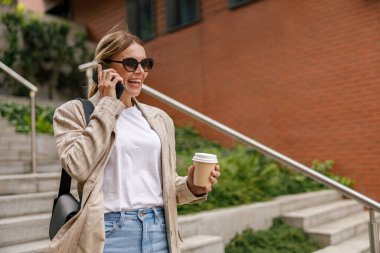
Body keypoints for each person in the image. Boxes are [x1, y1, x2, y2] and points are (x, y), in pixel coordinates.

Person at [46, 23, 221, 253]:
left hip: (160, 232)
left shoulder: (160, 119)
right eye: (131, 63)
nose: (140, 71)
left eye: (146, 64)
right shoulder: (73, 113)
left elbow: (161, 188)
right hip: (110, 234)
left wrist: (191, 186)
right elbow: (78, 166)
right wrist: (109, 104)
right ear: (103, 70)